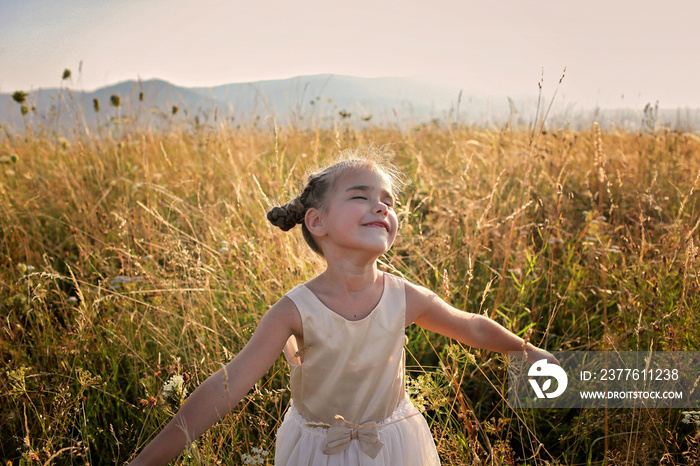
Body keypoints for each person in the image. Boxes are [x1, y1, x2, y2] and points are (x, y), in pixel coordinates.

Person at [128, 147, 556, 466]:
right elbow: (228, 386)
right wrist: (149, 460)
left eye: (388, 201)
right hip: (319, 450)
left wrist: (525, 350)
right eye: (361, 196)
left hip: (394, 445)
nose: (381, 206)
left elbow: (473, 328)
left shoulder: (403, 296)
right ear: (317, 222)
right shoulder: (295, 310)